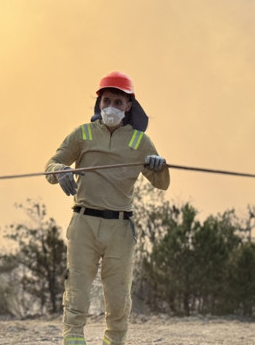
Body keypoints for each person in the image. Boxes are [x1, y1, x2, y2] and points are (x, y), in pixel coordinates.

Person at [45, 71, 170, 345]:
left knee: (117, 296)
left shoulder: (140, 142)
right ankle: (74, 339)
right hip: (84, 224)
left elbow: (162, 184)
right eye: (106, 101)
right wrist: (61, 170)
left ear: (129, 106)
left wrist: (159, 165)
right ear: (98, 103)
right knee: (76, 291)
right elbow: (51, 165)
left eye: (117, 101)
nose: (111, 107)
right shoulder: (83, 133)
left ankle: (114, 342)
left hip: (120, 229)